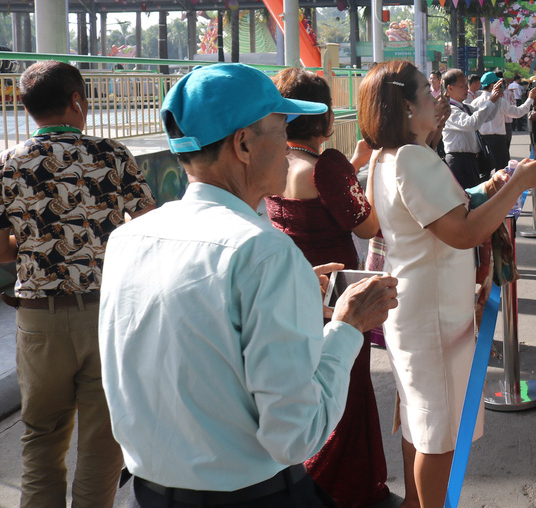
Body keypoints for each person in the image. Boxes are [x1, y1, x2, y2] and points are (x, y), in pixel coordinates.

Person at [99, 63, 399, 508]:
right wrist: (347, 327)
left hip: (145, 494)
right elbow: (296, 435)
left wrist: (294, 295)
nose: (287, 146)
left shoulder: (129, 239)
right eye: (281, 128)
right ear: (243, 144)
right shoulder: (265, 254)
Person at [357, 60, 536, 508]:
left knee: (418, 420)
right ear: (405, 107)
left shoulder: (386, 159)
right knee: (438, 434)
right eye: (427, 91)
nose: (437, 98)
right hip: (433, 313)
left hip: (414, 306)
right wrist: (516, 184)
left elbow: (440, 217)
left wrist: (489, 187)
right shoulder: (412, 158)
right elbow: (462, 232)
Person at [0, 60, 156, 508]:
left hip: (38, 324)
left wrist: (33, 242)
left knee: (42, 437)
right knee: (103, 441)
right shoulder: (111, 155)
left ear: (29, 110)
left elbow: (1, 252)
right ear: (77, 101)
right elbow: (147, 231)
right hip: (105, 317)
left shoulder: (9, 164)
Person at [265, 68, 388, 507]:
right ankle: (338, 486)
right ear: (325, 117)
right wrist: (361, 171)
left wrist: (349, 169)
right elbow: (367, 223)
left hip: (294, 291)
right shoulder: (328, 167)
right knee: (344, 390)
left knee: (305, 389)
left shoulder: (275, 162)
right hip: (339, 296)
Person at [441, 68, 500, 189]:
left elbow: (488, 117)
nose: (467, 89)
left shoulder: (465, 107)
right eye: (462, 86)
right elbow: (472, 123)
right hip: (459, 161)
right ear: (450, 88)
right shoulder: (449, 109)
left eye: (466, 86)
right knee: (465, 198)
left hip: (470, 160)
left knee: (473, 198)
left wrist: (496, 99)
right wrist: (491, 101)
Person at [477, 71, 536, 170]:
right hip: (498, 140)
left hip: (482, 141)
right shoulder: (499, 101)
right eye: (498, 84)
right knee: (502, 171)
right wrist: (530, 99)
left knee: (485, 171)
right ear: (492, 86)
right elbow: (517, 113)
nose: (501, 87)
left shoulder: (475, 101)